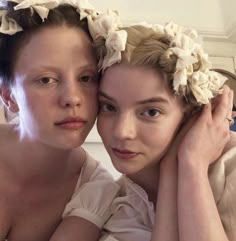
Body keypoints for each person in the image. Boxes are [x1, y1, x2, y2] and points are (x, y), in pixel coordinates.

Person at [88, 12, 236, 241]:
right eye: (108, 107)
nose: (121, 132)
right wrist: (173, 169)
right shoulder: (113, 205)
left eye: (150, 112)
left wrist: (192, 164)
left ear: (190, 115)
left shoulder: (230, 165)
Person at [0, 1, 119, 241]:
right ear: (9, 96)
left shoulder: (95, 190)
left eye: (86, 78)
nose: (72, 98)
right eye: (46, 80)